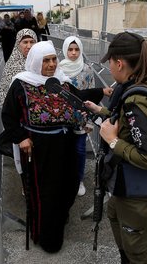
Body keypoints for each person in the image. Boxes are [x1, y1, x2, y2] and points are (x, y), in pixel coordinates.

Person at [0, 41, 108, 253]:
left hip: (64, 145)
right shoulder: (21, 84)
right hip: (38, 149)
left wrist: (103, 91)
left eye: (53, 59)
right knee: (45, 194)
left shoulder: (61, 83)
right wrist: (21, 138)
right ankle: (47, 239)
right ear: (36, 62)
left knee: (66, 188)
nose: (50, 64)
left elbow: (80, 98)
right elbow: (8, 115)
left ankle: (58, 222)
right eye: (45, 60)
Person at [83, 32, 147, 263]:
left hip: (139, 187)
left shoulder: (137, 100)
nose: (109, 67)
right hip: (131, 184)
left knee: (135, 247)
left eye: (109, 62)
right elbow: (128, 122)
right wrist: (101, 111)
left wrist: (112, 140)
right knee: (114, 212)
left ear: (119, 63)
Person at [59, 36, 97, 197]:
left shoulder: (87, 69)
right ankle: (66, 178)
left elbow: (92, 96)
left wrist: (89, 121)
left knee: (80, 150)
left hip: (81, 119)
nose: (73, 53)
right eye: (70, 49)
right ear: (65, 50)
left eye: (76, 49)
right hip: (62, 120)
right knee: (65, 150)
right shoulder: (58, 69)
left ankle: (79, 179)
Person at [0, 28, 37, 107]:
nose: (29, 46)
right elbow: (6, 97)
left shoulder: (41, 61)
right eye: (25, 42)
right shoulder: (11, 67)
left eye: (32, 42)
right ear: (18, 44)